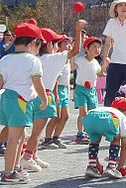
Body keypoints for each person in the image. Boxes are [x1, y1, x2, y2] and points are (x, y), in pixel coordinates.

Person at [22, 24, 84, 173]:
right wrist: (78, 30)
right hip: (44, 95)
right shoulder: (54, 58)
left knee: (33, 130)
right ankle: (27, 158)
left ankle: (33, 154)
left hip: (30, 95)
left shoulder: (35, 58)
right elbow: (75, 50)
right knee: (37, 131)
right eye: (55, 43)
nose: (56, 46)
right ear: (49, 45)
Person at [0, 22, 48, 184]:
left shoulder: (5, 59)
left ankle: (15, 167)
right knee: (15, 139)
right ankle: (8, 173)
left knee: (19, 137)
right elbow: (37, 83)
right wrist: (44, 99)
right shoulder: (32, 60)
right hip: (21, 100)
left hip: (7, 98)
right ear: (33, 42)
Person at [82, 97, 126, 179]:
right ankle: (111, 167)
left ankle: (92, 166)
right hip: (109, 118)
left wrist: (97, 163)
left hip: (90, 116)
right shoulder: (122, 116)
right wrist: (121, 166)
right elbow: (124, 144)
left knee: (95, 139)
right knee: (116, 138)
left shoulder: (107, 109)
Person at [73, 37, 110, 144]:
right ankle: (80, 134)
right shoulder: (79, 60)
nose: (97, 49)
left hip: (92, 90)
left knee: (91, 113)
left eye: (99, 47)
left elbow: (99, 73)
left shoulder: (95, 62)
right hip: (81, 89)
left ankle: (88, 132)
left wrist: (105, 65)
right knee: (83, 111)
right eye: (94, 47)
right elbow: (72, 67)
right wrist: (70, 57)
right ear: (86, 48)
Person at [44, 35, 74, 149]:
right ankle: (47, 139)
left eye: (69, 43)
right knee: (56, 116)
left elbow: (70, 71)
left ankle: (56, 137)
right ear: (59, 46)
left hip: (64, 90)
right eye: (65, 44)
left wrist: (67, 91)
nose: (68, 46)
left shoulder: (66, 60)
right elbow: (55, 79)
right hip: (57, 89)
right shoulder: (56, 60)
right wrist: (56, 95)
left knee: (65, 116)